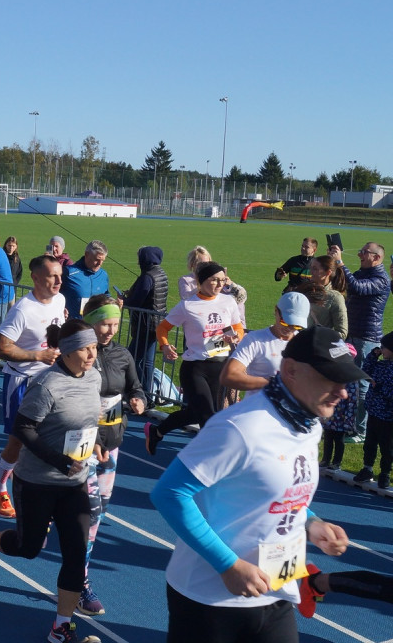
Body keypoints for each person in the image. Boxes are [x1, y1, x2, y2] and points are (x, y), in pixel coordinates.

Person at [150, 326, 359, 643]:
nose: (343, 392)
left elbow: (280, 489)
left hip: (275, 590)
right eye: (332, 378)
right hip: (209, 598)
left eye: (345, 381)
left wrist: (311, 523)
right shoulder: (240, 427)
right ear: (290, 371)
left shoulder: (309, 423)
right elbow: (170, 493)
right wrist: (229, 565)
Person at [0, 319, 103, 643]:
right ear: (69, 351)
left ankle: (61, 626)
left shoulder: (94, 376)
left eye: (94, 348)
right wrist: (60, 460)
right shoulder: (47, 385)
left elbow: (87, 419)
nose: (91, 355)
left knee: (76, 552)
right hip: (36, 482)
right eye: (86, 349)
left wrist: (94, 442)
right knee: (29, 548)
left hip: (74, 483)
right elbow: (24, 429)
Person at [78, 295, 147, 616]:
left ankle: (79, 577)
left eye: (115, 324)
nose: (109, 330)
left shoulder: (122, 355)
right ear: (90, 320)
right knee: (86, 515)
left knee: (97, 514)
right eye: (104, 322)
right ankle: (80, 581)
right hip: (79, 446)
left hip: (111, 447)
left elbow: (135, 387)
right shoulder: (77, 356)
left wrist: (138, 400)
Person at [0, 255, 67, 519]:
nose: (58, 280)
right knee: (18, 442)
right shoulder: (23, 310)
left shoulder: (60, 300)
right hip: (22, 382)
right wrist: (37, 356)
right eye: (52, 276)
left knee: (52, 439)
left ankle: (43, 492)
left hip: (51, 381)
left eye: (60, 275)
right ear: (35, 278)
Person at [145, 262, 244, 455]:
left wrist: (235, 336)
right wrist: (164, 346)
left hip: (220, 365)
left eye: (222, 280)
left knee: (196, 413)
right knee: (207, 417)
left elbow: (237, 327)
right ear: (201, 281)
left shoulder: (228, 301)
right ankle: (208, 460)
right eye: (214, 280)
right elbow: (162, 328)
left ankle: (157, 431)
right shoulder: (188, 305)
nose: (218, 284)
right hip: (195, 367)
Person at [331, 241, 390, 438]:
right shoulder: (362, 273)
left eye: (365, 252)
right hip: (351, 334)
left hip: (367, 337)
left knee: (363, 386)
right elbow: (344, 284)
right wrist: (333, 264)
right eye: (360, 251)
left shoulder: (382, 279)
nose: (360, 255)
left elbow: (356, 288)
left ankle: (360, 431)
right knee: (346, 381)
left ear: (377, 257)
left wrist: (340, 262)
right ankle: (345, 424)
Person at [219, 292, 310, 395]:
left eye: (296, 326)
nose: (289, 328)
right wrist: (273, 383)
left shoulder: (304, 343)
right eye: (285, 322)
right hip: (259, 408)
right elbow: (229, 376)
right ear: (276, 311)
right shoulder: (254, 340)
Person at [121, 246, 168, 393]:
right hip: (157, 324)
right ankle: (147, 394)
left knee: (131, 359)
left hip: (145, 325)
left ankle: (139, 392)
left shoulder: (147, 277)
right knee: (147, 362)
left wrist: (124, 301)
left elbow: (136, 301)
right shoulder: (161, 273)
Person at [353, 331, 393, 488]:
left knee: (387, 449)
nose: (381, 349)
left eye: (384, 347)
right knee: (369, 444)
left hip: (388, 418)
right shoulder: (381, 364)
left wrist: (379, 388)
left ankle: (385, 474)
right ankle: (367, 468)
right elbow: (365, 372)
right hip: (374, 413)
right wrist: (372, 356)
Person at [62, 241, 109, 320]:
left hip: (95, 326)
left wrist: (114, 304)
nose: (100, 263)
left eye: (103, 260)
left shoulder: (103, 275)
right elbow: (53, 294)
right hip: (72, 325)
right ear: (87, 254)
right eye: (97, 259)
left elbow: (106, 296)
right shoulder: (69, 273)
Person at [307, 254, 348, 337]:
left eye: (315, 269)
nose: (310, 271)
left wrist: (319, 335)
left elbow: (342, 333)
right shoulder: (304, 289)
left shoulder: (335, 297)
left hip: (316, 347)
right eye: (311, 267)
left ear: (328, 272)